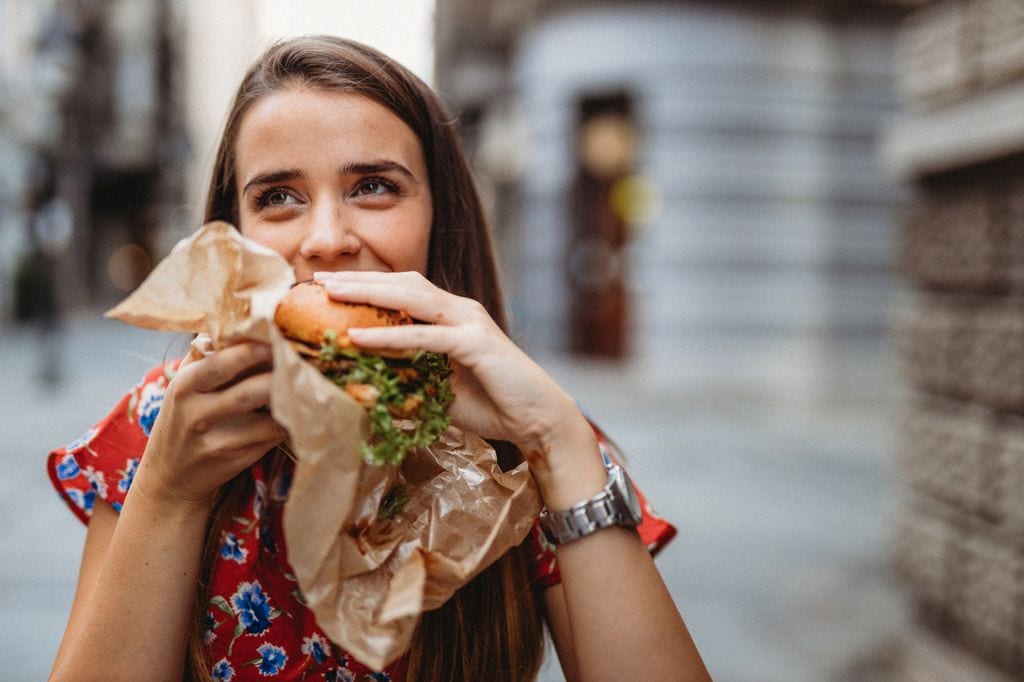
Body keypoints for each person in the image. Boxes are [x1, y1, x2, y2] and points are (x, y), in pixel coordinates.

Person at [47, 36, 711, 681]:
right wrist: (169, 491)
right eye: (278, 197)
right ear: (236, 236)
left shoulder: (525, 431)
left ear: (437, 218)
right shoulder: (165, 423)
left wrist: (557, 443)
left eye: (373, 187)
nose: (328, 239)